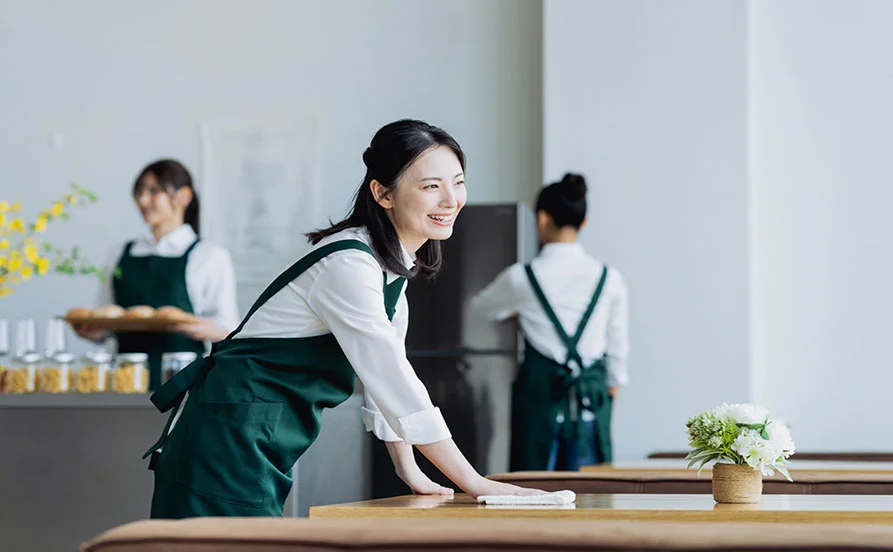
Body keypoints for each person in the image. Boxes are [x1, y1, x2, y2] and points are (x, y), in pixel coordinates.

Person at [143, 119, 543, 518]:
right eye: (431, 186)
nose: (451, 199)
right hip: (225, 438)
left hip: (251, 435)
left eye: (457, 182)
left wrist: (409, 468)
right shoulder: (348, 264)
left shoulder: (389, 269)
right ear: (383, 193)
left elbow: (384, 382)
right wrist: (474, 481)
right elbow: (395, 383)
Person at [470, 173, 630, 470]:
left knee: (536, 496)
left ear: (542, 219)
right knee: (593, 499)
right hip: (590, 404)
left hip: (538, 404)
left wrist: (513, 311)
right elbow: (618, 352)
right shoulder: (610, 278)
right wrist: (611, 391)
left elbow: (480, 307)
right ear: (584, 222)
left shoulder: (521, 278)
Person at [73, 159, 239, 391]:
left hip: (183, 378)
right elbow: (108, 319)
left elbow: (228, 331)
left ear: (183, 197)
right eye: (139, 192)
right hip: (124, 377)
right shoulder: (120, 253)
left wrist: (191, 325)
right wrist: (92, 331)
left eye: (153, 191)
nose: (142, 200)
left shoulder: (209, 255)